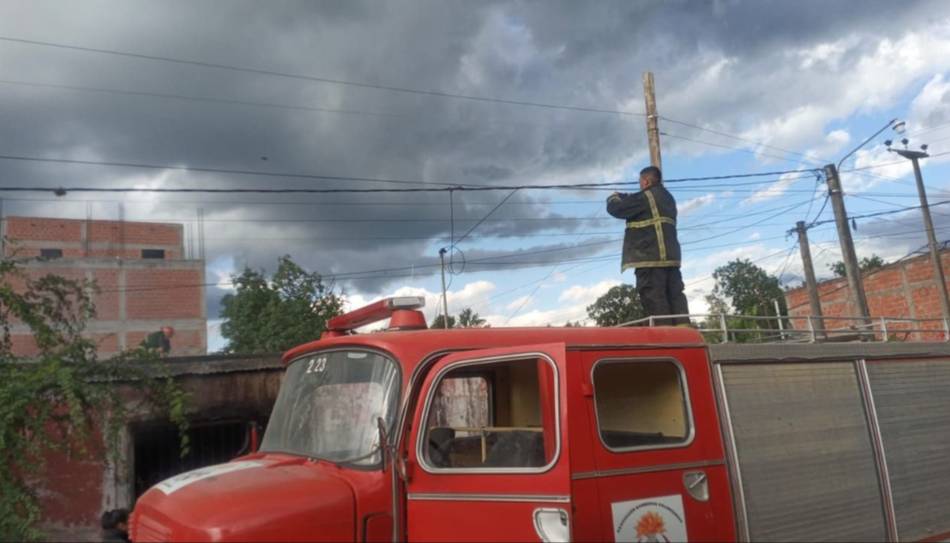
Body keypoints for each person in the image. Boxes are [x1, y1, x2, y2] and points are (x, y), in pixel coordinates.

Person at [606, 166, 689, 326]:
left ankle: (664, 337)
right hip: (671, 260)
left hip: (649, 258)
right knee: (675, 296)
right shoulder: (668, 197)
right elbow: (639, 203)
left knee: (654, 297)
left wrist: (613, 197)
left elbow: (618, 209)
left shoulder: (646, 197)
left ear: (646, 181)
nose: (640, 185)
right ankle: (684, 334)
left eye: (640, 182)